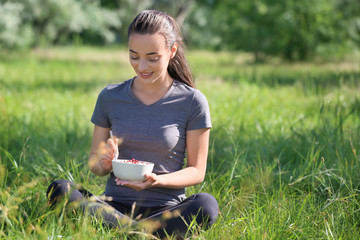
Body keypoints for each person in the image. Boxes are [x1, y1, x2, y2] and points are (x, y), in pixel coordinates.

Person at [47, 10, 219, 239]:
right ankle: (141, 234)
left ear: (172, 51)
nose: (142, 66)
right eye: (134, 56)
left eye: (152, 57)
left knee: (206, 204)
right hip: (113, 207)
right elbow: (95, 165)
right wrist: (104, 162)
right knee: (60, 189)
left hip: (166, 211)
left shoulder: (192, 101)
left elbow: (197, 171)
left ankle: (127, 233)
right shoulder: (110, 97)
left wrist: (159, 180)